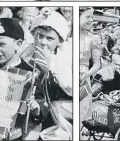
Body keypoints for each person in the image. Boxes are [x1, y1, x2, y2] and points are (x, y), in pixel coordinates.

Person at [29, 9, 73, 140]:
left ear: (59, 41)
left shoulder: (63, 60)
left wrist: (49, 69)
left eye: (50, 38)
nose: (43, 42)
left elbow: (70, 88)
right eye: (40, 35)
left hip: (58, 112)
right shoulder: (27, 55)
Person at [79, 8, 101, 123]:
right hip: (64, 79)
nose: (91, 20)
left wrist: (86, 74)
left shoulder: (93, 38)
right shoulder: (66, 36)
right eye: (87, 17)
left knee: (80, 118)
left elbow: (97, 64)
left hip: (83, 82)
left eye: (92, 17)